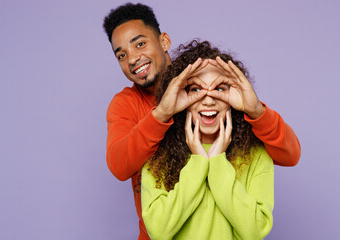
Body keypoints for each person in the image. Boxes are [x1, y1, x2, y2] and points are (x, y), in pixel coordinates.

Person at [103, 3, 300, 239]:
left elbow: (290, 155)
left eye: (140, 43)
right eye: (121, 55)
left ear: (164, 41)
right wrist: (162, 114)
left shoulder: (208, 81)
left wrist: (256, 111)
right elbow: (119, 165)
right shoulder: (125, 105)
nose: (133, 58)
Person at [141, 40, 274, 240]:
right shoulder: (158, 154)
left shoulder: (256, 154)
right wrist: (199, 163)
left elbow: (255, 231)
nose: (209, 99)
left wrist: (218, 161)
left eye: (220, 88)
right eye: (195, 89)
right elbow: (158, 230)